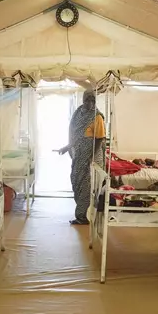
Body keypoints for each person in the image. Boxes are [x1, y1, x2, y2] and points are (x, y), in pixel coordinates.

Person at [58, 90, 106, 225]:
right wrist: (67, 147)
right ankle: (81, 212)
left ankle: (84, 216)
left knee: (87, 186)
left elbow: (100, 139)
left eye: (93, 101)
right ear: (83, 100)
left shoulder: (97, 117)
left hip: (92, 156)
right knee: (76, 181)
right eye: (87, 100)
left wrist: (90, 157)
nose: (90, 103)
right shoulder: (78, 113)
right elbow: (76, 136)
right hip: (79, 155)